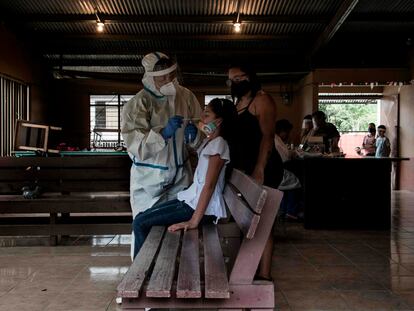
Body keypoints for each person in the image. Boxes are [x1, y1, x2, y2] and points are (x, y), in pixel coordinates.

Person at [121, 52, 203, 258]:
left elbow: (202, 131)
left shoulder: (186, 96)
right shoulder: (138, 104)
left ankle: (174, 272)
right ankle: (140, 275)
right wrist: (161, 135)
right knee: (144, 226)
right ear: (150, 77)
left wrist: (195, 136)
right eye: (163, 77)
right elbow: (134, 146)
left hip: (181, 176)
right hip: (149, 180)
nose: (169, 81)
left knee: (177, 229)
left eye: (171, 75)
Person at [132, 98, 237, 258]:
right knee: (140, 219)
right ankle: (146, 267)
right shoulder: (211, 142)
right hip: (190, 201)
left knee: (140, 223)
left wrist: (194, 221)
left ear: (219, 121)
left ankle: (142, 273)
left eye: (207, 115)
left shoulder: (219, 145)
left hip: (197, 208)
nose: (201, 118)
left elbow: (209, 186)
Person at [227, 64, 283, 281]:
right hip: (244, 170)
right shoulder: (237, 104)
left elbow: (267, 136)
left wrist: (259, 169)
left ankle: (265, 274)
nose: (235, 83)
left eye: (240, 78)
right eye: (231, 79)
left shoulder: (262, 100)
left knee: (264, 222)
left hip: (264, 167)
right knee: (248, 220)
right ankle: (248, 267)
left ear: (251, 77)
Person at [274, 119, 302, 220]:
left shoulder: (277, 139)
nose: (288, 135)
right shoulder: (276, 140)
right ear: (282, 131)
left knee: (287, 187)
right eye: (287, 132)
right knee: (296, 183)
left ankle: (283, 210)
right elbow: (285, 158)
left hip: (280, 170)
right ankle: (291, 211)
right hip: (280, 171)